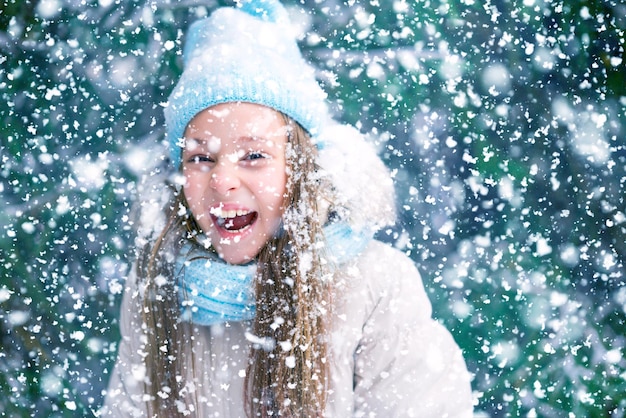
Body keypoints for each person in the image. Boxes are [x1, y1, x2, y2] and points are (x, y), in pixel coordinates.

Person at [102, 0, 473, 416]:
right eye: (200, 158)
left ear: (300, 168)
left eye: (254, 156)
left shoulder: (373, 283)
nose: (221, 179)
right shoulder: (160, 282)